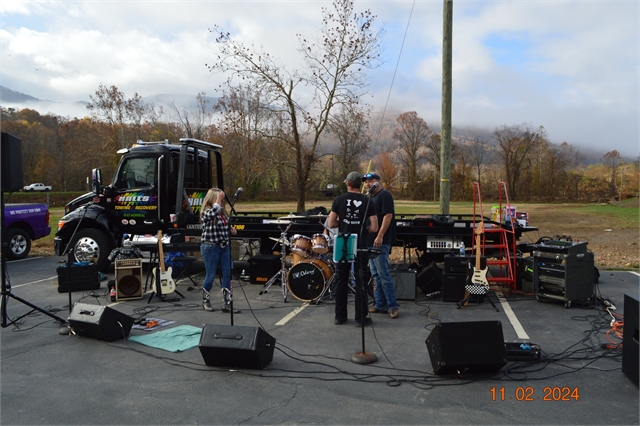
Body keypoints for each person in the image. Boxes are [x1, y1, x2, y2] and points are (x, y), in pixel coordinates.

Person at [327, 171, 378, 326]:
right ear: (360, 184)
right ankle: (360, 318)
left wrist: (343, 223)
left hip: (344, 241)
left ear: (348, 183)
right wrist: (362, 230)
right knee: (361, 279)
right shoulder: (368, 201)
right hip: (360, 242)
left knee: (341, 278)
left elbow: (331, 224)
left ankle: (340, 316)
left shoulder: (339, 200)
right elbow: (374, 227)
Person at [363, 172, 399, 319]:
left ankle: (393, 306)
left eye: (370, 181)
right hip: (370, 241)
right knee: (375, 275)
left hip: (380, 241)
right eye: (365, 182)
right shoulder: (370, 197)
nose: (367, 184)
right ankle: (380, 304)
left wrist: (380, 235)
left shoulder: (385, 196)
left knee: (383, 275)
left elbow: (388, 216)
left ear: (378, 182)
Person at [200, 188, 240, 313]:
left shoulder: (222, 213)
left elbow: (223, 226)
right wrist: (218, 199)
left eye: (222, 199)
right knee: (211, 275)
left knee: (227, 274)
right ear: (213, 198)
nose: (222, 201)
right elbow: (212, 214)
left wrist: (231, 229)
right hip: (210, 247)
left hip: (224, 247)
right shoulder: (207, 211)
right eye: (219, 199)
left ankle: (226, 303)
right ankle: (205, 301)